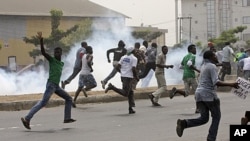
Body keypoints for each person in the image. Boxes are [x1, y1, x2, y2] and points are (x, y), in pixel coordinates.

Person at [176, 50, 239, 141]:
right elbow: (216, 82)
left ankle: (185, 123)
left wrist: (220, 65)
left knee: (204, 118)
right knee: (216, 117)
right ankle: (211, 138)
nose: (216, 57)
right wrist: (232, 84)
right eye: (214, 56)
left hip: (199, 95)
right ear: (210, 57)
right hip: (209, 95)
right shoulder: (212, 66)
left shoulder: (204, 66)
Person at [21, 32, 76, 130]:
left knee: (69, 99)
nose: (56, 54)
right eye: (55, 53)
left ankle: (67, 118)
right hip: (51, 85)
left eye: (58, 53)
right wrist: (41, 41)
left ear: (61, 53)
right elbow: (43, 52)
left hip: (56, 87)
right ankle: (27, 118)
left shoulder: (61, 63)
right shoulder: (52, 60)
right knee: (43, 102)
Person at [104, 47, 139, 114]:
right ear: (132, 51)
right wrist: (136, 77)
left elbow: (117, 67)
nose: (135, 51)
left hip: (123, 76)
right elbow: (133, 69)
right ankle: (112, 87)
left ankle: (130, 108)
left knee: (130, 92)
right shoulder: (134, 59)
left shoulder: (123, 57)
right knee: (126, 93)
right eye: (134, 50)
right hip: (128, 77)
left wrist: (122, 72)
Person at [170, 44, 200, 113]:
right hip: (191, 76)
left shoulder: (185, 57)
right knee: (198, 92)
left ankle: (176, 91)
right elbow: (189, 64)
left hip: (185, 76)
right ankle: (198, 108)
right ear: (190, 50)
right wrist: (197, 70)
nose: (195, 50)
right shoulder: (192, 56)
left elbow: (180, 66)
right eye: (194, 49)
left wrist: (186, 69)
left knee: (186, 93)